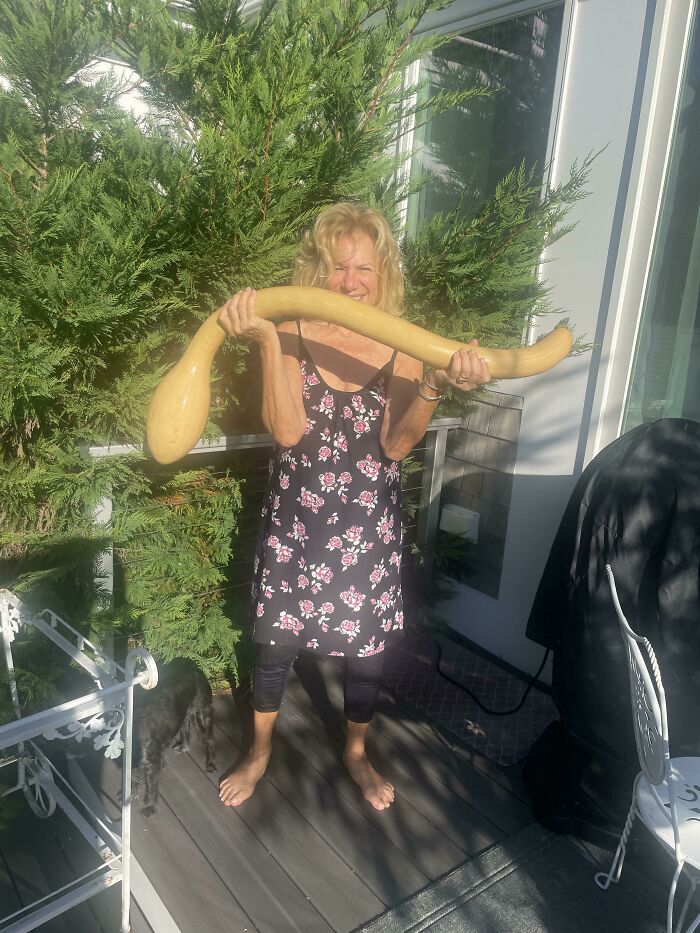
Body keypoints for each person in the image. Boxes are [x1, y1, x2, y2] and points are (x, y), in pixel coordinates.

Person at [217, 202, 491, 811]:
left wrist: (432, 386)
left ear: (382, 272)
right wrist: (264, 337)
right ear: (318, 270)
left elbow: (396, 444)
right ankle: (259, 752)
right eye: (338, 267)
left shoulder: (404, 343)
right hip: (298, 519)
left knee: (366, 651)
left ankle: (357, 754)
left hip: (366, 525)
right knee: (274, 644)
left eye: (363, 269)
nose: (350, 282)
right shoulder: (288, 329)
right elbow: (286, 432)